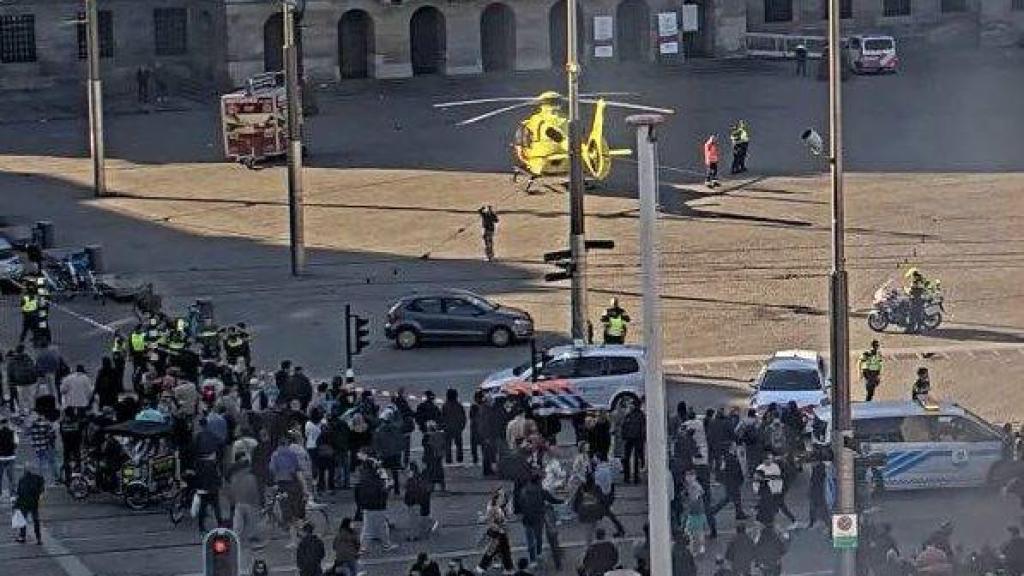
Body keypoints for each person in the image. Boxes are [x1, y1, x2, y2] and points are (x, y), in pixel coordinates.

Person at [517, 472, 562, 567]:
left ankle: (532, 559)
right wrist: (562, 500)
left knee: (529, 540)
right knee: (538, 538)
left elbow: (519, 505)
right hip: (538, 519)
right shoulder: (541, 491)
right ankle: (539, 554)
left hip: (527, 519)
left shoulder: (523, 491)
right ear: (538, 481)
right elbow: (552, 500)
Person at [355, 458, 397, 552]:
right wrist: (389, 486)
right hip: (378, 505)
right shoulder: (375, 478)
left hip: (367, 506)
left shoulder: (364, 478)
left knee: (371, 527)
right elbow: (381, 491)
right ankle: (384, 545)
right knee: (379, 527)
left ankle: (366, 547)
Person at [226, 455, 264, 546]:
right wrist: (259, 503)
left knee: (238, 523)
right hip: (250, 503)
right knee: (252, 521)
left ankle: (235, 538)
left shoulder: (234, 477)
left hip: (238, 502)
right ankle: (252, 538)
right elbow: (255, 491)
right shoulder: (251, 477)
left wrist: (232, 501)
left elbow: (231, 490)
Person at [477, 488, 514, 574]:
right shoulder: (493, 507)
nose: (503, 499)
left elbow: (508, 516)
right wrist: (498, 527)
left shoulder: (504, 506)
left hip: (501, 532)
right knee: (498, 550)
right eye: (500, 497)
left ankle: (507, 567)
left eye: (504, 497)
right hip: (496, 533)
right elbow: (490, 521)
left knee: (502, 550)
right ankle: (508, 568)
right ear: (496, 497)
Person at [404, 462, 437, 542]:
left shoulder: (413, 479)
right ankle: (429, 527)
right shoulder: (421, 478)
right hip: (420, 501)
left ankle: (413, 536)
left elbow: (410, 489)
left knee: (413, 519)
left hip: (414, 501)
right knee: (419, 518)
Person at [14, 462, 45, 544]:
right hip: (34, 502)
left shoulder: (22, 479)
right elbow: (41, 489)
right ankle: (38, 538)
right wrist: (40, 497)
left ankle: (23, 536)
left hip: (24, 502)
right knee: (36, 520)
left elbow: (19, 493)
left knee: (23, 520)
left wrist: (16, 505)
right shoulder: (38, 478)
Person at [441, 388, 466, 464]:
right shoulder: (459, 406)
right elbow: (463, 417)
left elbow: (442, 417)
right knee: (459, 445)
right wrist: (462, 426)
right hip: (457, 428)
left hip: (448, 428)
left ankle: (449, 460)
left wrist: (443, 426)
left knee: (448, 445)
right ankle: (460, 460)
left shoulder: (445, 406)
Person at [905, 268, 929, 333]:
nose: (912, 278)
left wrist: (906, 290)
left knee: (912, 315)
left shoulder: (916, 282)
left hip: (915, 300)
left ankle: (911, 329)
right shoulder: (921, 280)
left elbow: (912, 291)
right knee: (918, 315)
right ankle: (918, 329)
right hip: (920, 300)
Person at [0, 416, 18, 497]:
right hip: (11, 457)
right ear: (7, 424)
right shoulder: (12, 432)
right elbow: (16, 443)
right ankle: (12, 493)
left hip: (1, 458)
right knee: (11, 477)